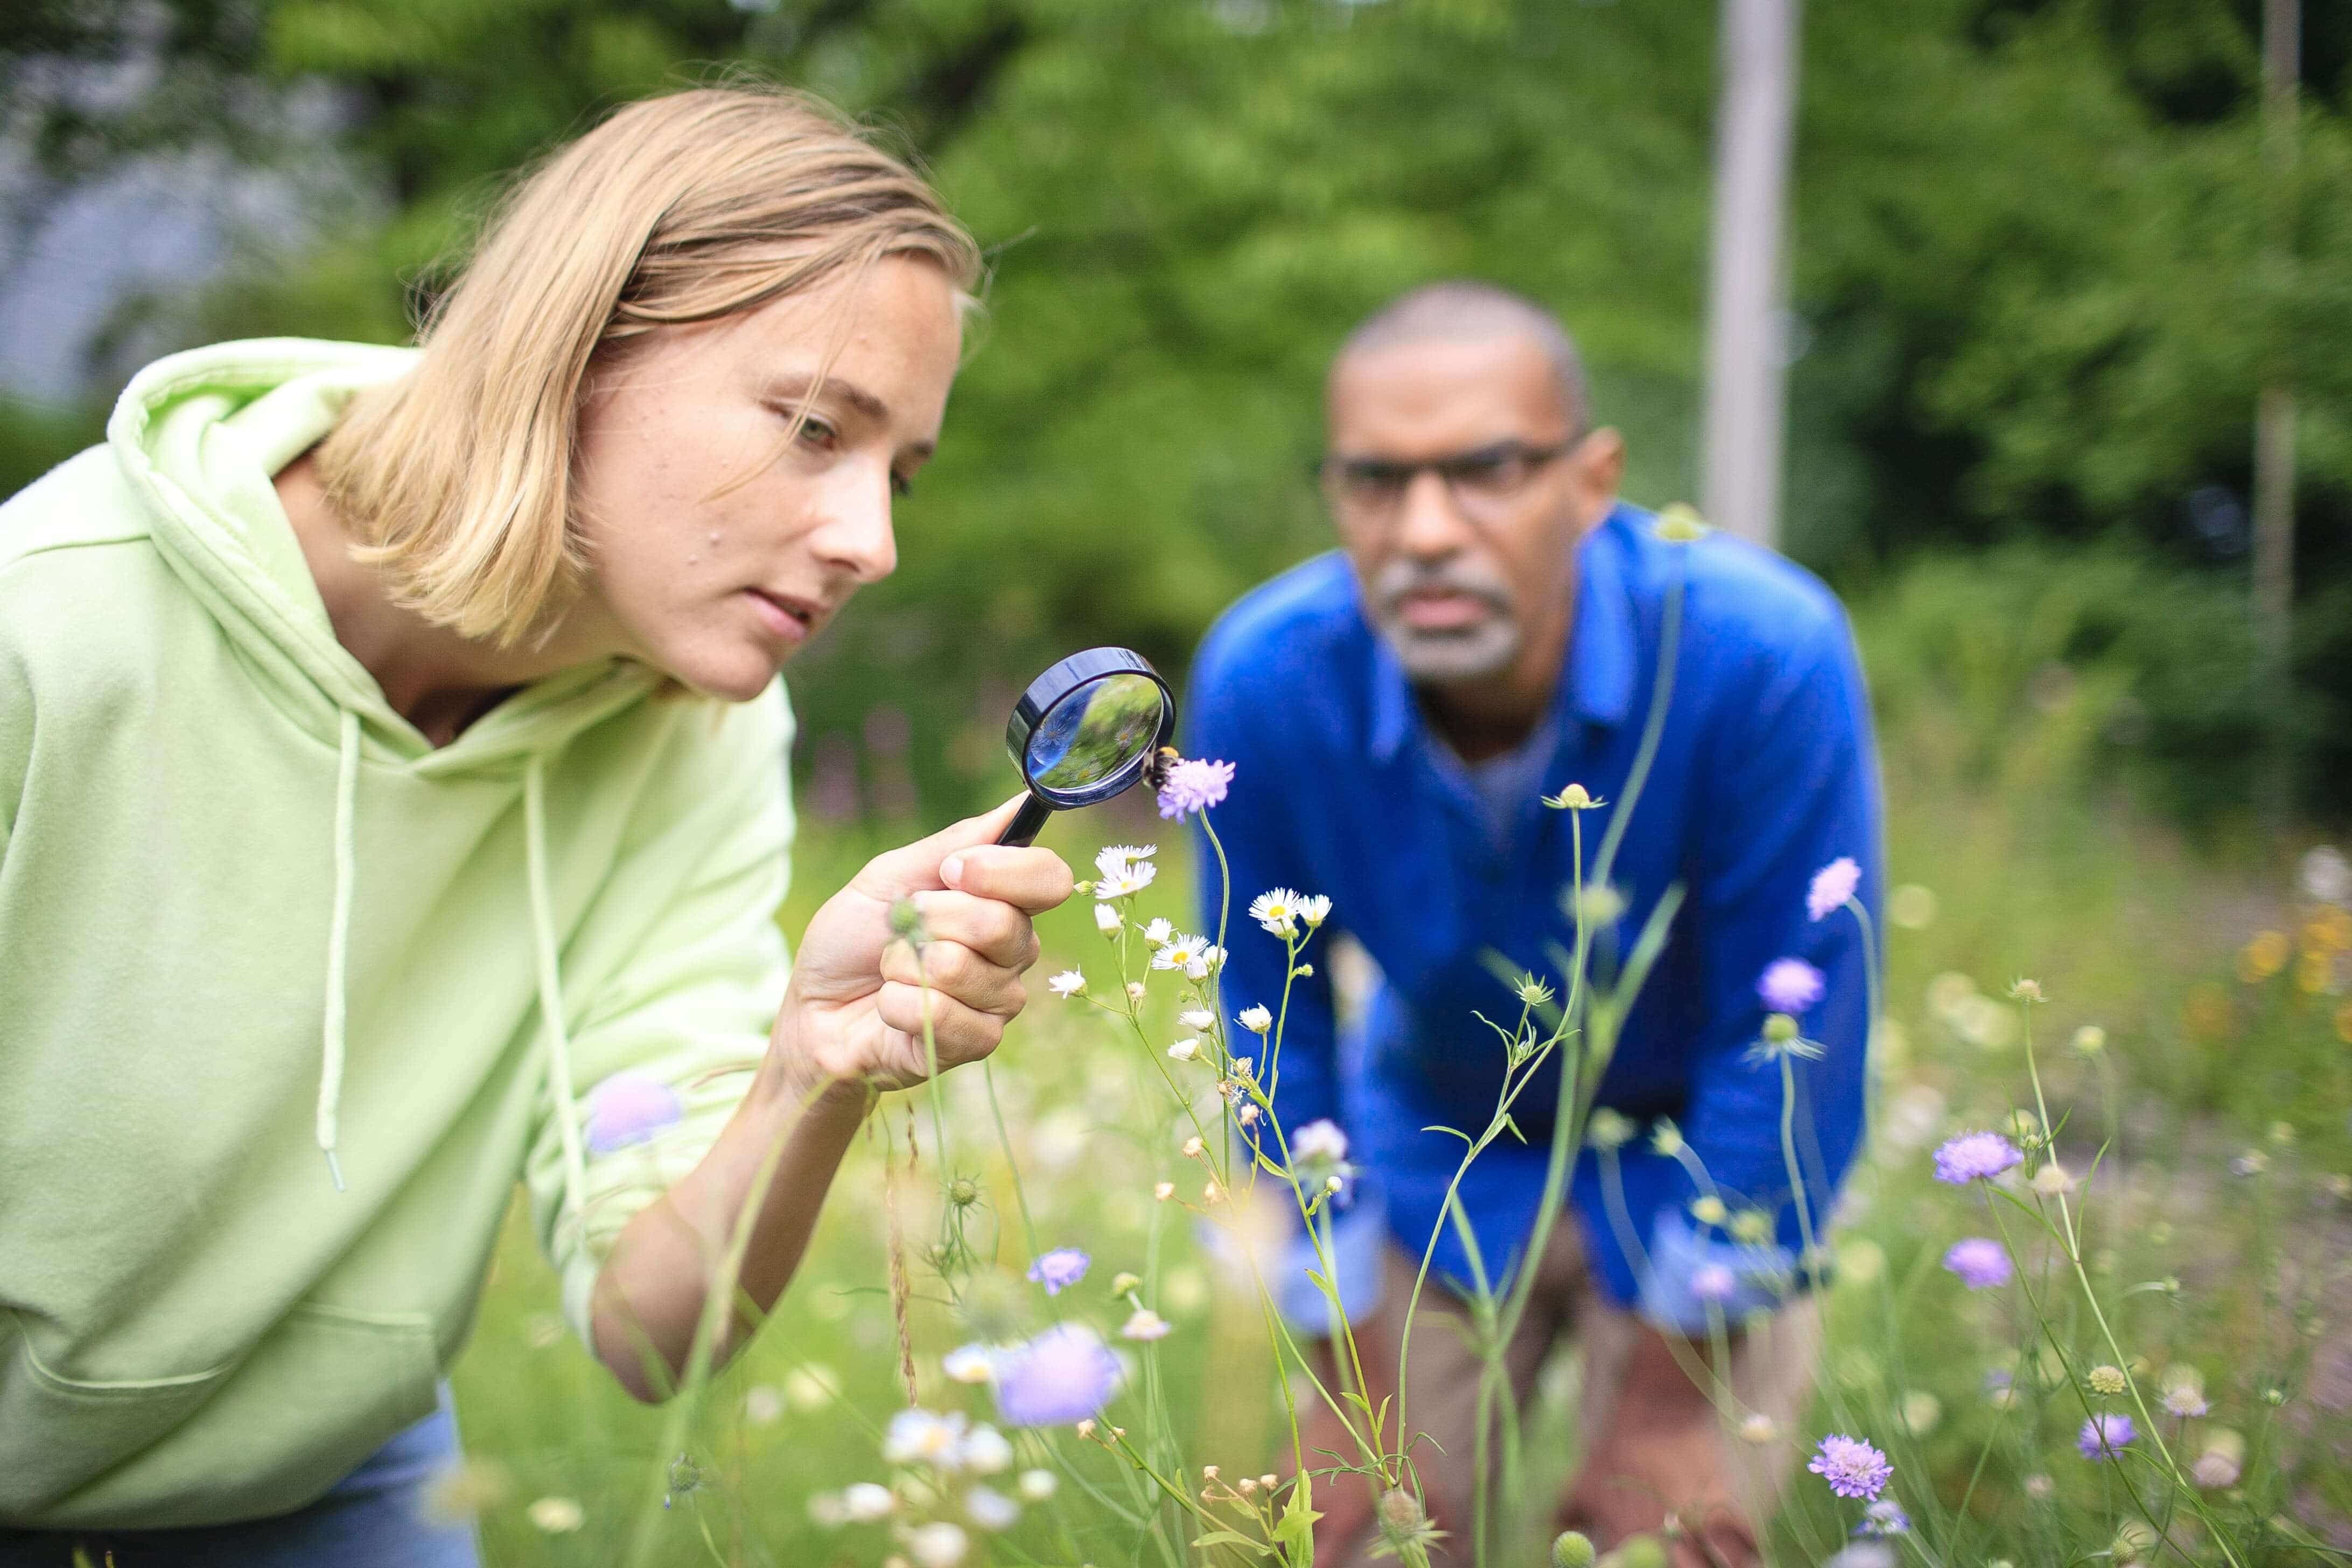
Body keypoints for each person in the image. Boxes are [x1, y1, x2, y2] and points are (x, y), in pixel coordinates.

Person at [0, 87, 1072, 1562]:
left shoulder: (704, 730)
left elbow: (656, 1341)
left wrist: (810, 1073)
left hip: (332, 1472)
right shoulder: (49, 627)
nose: (870, 543)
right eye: (817, 427)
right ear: (576, 347)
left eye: (899, 471)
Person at [1183, 282, 1881, 1566]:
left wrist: (1673, 1404)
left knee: (1673, 1539)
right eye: (1377, 483)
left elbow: (1795, 1022)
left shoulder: (1757, 653)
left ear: (1592, 479)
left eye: (1489, 471)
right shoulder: (1270, 670)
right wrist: (1350, 1379)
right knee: (1364, 1535)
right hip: (1435, 1139)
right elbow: (1260, 1021)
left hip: (1699, 1153)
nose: (1427, 531)